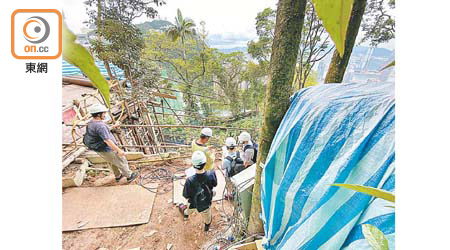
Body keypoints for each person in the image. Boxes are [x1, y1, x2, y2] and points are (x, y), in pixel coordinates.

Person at [83, 103, 138, 183]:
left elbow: (101, 132)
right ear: (99, 114)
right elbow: (107, 140)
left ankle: (118, 176)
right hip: (107, 148)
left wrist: (113, 126)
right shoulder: (101, 126)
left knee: (112, 162)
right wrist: (118, 150)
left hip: (99, 149)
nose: (105, 114)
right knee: (121, 160)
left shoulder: (91, 123)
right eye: (104, 113)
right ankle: (129, 176)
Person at [179, 151, 217, 232]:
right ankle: (206, 228)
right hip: (206, 202)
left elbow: (186, 195)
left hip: (193, 203)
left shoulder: (189, 180)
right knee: (207, 217)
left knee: (188, 211)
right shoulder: (211, 174)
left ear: (193, 165)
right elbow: (215, 184)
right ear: (205, 163)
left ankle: (185, 214)